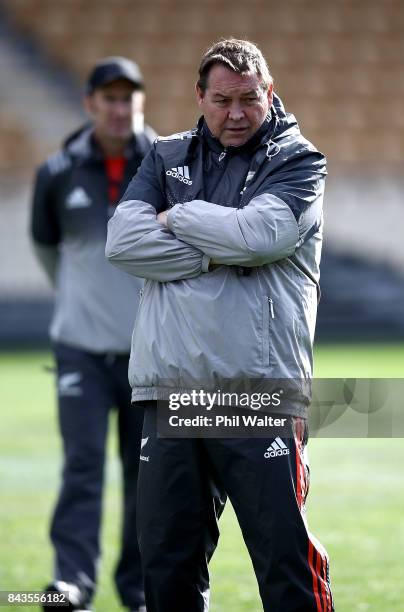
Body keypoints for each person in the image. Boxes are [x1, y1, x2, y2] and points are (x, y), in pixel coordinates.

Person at [106, 39, 334, 612]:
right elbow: (123, 242)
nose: (237, 114)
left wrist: (177, 217)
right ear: (200, 97)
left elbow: (259, 239)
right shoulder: (165, 156)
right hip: (170, 390)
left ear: (270, 92)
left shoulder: (298, 160)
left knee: (284, 564)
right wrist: (216, 249)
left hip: (256, 391)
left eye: (250, 99)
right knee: (166, 565)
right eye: (223, 100)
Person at [31, 56, 156, 612]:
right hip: (79, 349)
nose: (120, 107)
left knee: (145, 476)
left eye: (129, 97)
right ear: (90, 105)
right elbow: (47, 249)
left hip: (149, 354)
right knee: (82, 467)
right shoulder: (56, 173)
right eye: (109, 97)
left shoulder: (164, 163)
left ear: (140, 103)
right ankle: (72, 584)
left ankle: (139, 586)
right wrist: (86, 301)